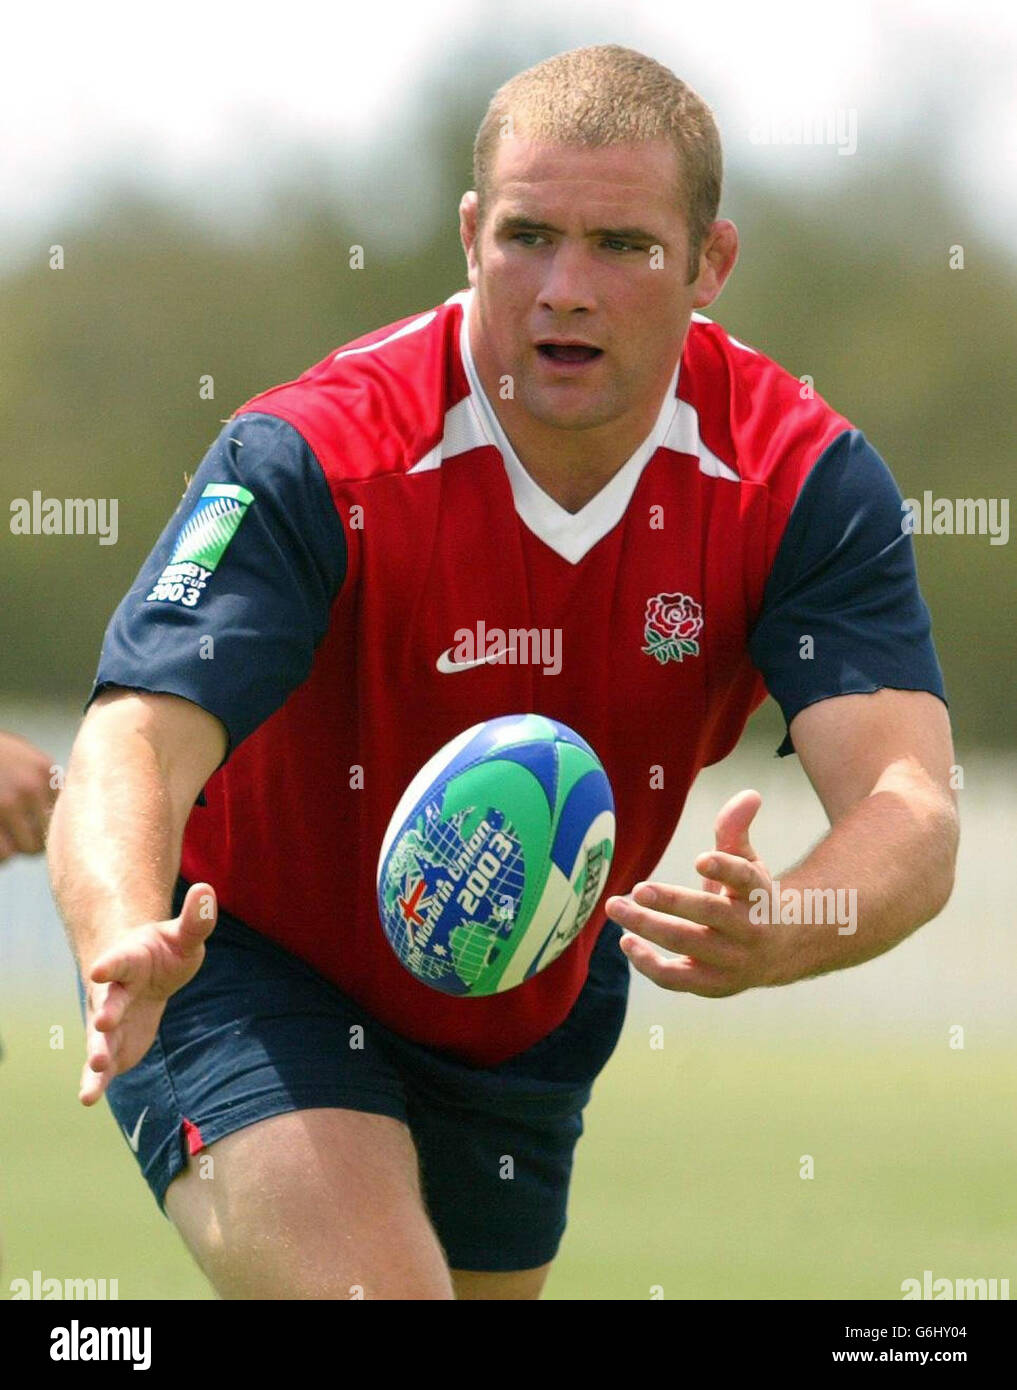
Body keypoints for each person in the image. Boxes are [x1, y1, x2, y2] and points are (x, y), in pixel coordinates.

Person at [46, 44, 958, 1300]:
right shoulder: (320, 453)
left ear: (710, 264)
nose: (564, 290)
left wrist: (790, 922)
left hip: (528, 983)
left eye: (623, 246)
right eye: (528, 235)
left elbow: (912, 806)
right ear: (471, 236)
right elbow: (134, 737)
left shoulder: (798, 484)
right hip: (238, 960)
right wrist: (122, 933)